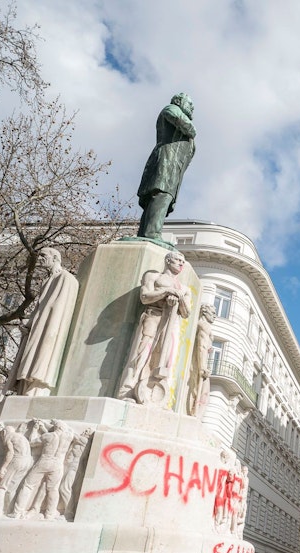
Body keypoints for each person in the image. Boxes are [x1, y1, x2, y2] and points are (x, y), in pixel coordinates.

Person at [117, 251, 192, 406]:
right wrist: (165, 291)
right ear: (168, 260)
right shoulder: (153, 277)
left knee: (168, 360)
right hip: (152, 316)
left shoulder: (185, 288)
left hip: (172, 322)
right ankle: (127, 390)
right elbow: (145, 297)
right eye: (178, 260)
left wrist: (179, 299)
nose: (181, 264)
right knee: (141, 353)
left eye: (183, 262)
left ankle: (157, 396)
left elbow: (186, 313)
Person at [5, 247, 79, 397]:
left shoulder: (66, 278)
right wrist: (29, 323)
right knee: (29, 357)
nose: (40, 259)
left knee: (41, 356)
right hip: (38, 328)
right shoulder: (46, 281)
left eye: (44, 256)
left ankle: (36, 387)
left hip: (49, 328)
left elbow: (58, 309)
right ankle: (26, 387)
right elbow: (40, 308)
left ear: (55, 258)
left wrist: (37, 322)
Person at [137, 93, 197, 240]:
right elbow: (187, 127)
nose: (192, 108)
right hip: (166, 161)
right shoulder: (171, 108)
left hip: (172, 166)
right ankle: (152, 234)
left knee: (162, 197)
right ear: (179, 101)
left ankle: (148, 233)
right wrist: (191, 129)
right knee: (161, 194)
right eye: (189, 104)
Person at [187, 303, 215, 417]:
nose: (214, 316)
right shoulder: (204, 326)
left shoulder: (200, 325)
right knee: (202, 393)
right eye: (212, 313)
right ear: (204, 312)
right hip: (198, 364)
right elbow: (201, 346)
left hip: (198, 362)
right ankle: (195, 416)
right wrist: (203, 367)